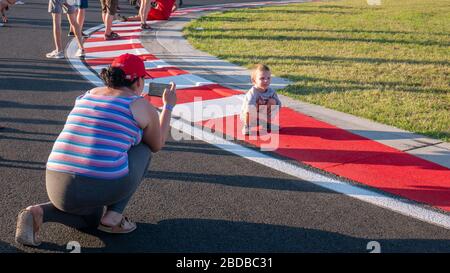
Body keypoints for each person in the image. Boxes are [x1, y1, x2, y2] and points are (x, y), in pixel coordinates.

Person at [15, 53, 177, 246]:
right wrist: (168, 107)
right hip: (100, 185)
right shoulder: (141, 105)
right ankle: (113, 217)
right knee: (144, 148)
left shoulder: (88, 94)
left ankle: (36, 212)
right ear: (138, 81)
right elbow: (157, 144)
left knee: (89, 220)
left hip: (56, 183)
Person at [241, 64, 281, 135]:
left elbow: (279, 105)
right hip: (251, 117)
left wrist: (270, 103)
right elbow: (249, 109)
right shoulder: (252, 93)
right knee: (251, 106)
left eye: (268, 78)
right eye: (262, 78)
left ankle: (267, 124)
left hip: (263, 117)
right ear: (254, 80)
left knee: (273, 101)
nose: (266, 80)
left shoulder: (271, 91)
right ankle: (247, 126)